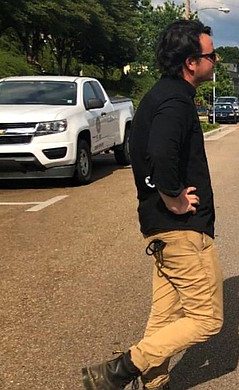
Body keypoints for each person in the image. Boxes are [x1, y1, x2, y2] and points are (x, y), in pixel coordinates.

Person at [81, 20, 223, 390]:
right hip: (182, 231)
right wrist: (172, 195)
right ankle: (120, 369)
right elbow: (160, 153)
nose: (216, 60)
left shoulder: (161, 95)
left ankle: (154, 383)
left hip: (161, 230)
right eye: (211, 55)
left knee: (164, 318)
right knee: (208, 319)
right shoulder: (175, 100)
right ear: (191, 62)